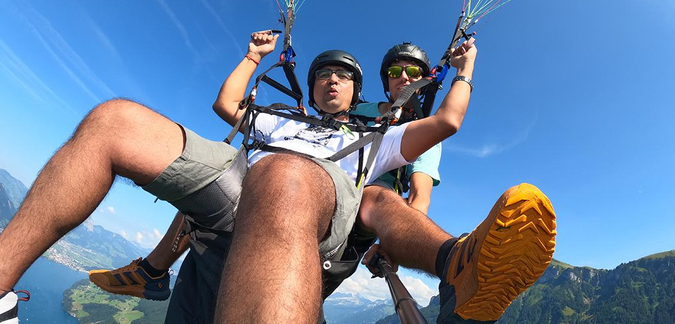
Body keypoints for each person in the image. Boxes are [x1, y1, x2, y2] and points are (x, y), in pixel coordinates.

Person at [0, 31, 555, 324]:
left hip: (309, 209)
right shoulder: (274, 119)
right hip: (233, 200)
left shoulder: (369, 141)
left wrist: (467, 70)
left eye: (343, 78)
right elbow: (225, 105)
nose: (332, 82)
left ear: (359, 93)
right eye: (323, 76)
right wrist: (253, 56)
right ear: (309, 88)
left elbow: (448, 121)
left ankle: (460, 264)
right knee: (115, 119)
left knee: (288, 175)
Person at [88, 41, 443, 302]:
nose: (404, 78)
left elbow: (420, 194)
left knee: (376, 196)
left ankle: (451, 260)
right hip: (299, 177)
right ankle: (153, 269)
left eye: (413, 73)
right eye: (396, 71)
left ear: (426, 80)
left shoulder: (416, 135)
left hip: (358, 209)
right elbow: (239, 109)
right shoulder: (357, 108)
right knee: (230, 166)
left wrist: (389, 245)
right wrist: (256, 58)